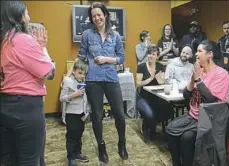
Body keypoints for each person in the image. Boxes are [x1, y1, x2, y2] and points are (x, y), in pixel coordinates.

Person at [0, 1, 55, 166]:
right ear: (19, 16)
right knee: (30, 159)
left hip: (4, 105)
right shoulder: (22, 40)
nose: (29, 18)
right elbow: (49, 73)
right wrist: (43, 47)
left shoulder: (3, 40)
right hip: (26, 109)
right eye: (27, 13)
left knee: (8, 158)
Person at [166, 40, 229, 166]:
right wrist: (192, 80)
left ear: (209, 55)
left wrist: (198, 80)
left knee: (186, 137)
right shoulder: (198, 71)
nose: (196, 54)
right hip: (193, 116)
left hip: (208, 119)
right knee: (170, 130)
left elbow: (211, 101)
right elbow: (186, 96)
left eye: (200, 51)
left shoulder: (221, 74)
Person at [78, 2, 128, 164]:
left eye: (99, 14)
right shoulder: (87, 34)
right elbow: (82, 56)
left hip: (111, 78)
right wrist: (78, 75)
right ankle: (101, 146)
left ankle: (122, 143)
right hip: (93, 80)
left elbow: (121, 58)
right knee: (97, 115)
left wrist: (107, 59)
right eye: (93, 16)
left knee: (120, 113)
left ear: (105, 15)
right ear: (91, 19)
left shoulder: (115, 36)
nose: (97, 18)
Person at [136, 45, 173, 141]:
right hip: (143, 98)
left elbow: (162, 82)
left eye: (153, 54)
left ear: (157, 56)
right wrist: (150, 79)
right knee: (150, 114)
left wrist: (158, 78)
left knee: (169, 110)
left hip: (157, 97)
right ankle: (146, 126)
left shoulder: (161, 66)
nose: (150, 56)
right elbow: (138, 83)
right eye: (149, 54)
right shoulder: (141, 66)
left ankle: (152, 126)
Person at [60, 58, 89, 166]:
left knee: (79, 133)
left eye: (84, 73)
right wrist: (73, 95)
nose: (82, 75)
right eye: (80, 73)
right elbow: (62, 98)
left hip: (82, 113)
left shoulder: (84, 81)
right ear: (73, 71)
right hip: (71, 113)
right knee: (72, 135)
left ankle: (77, 152)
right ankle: (71, 157)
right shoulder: (68, 81)